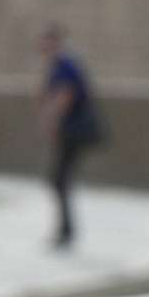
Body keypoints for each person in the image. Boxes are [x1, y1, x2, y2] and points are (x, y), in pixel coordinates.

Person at [39, 23, 102, 248]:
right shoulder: (63, 64)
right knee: (60, 180)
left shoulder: (64, 65)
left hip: (72, 131)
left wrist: (51, 123)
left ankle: (66, 230)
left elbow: (66, 95)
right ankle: (65, 229)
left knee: (59, 179)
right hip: (71, 130)